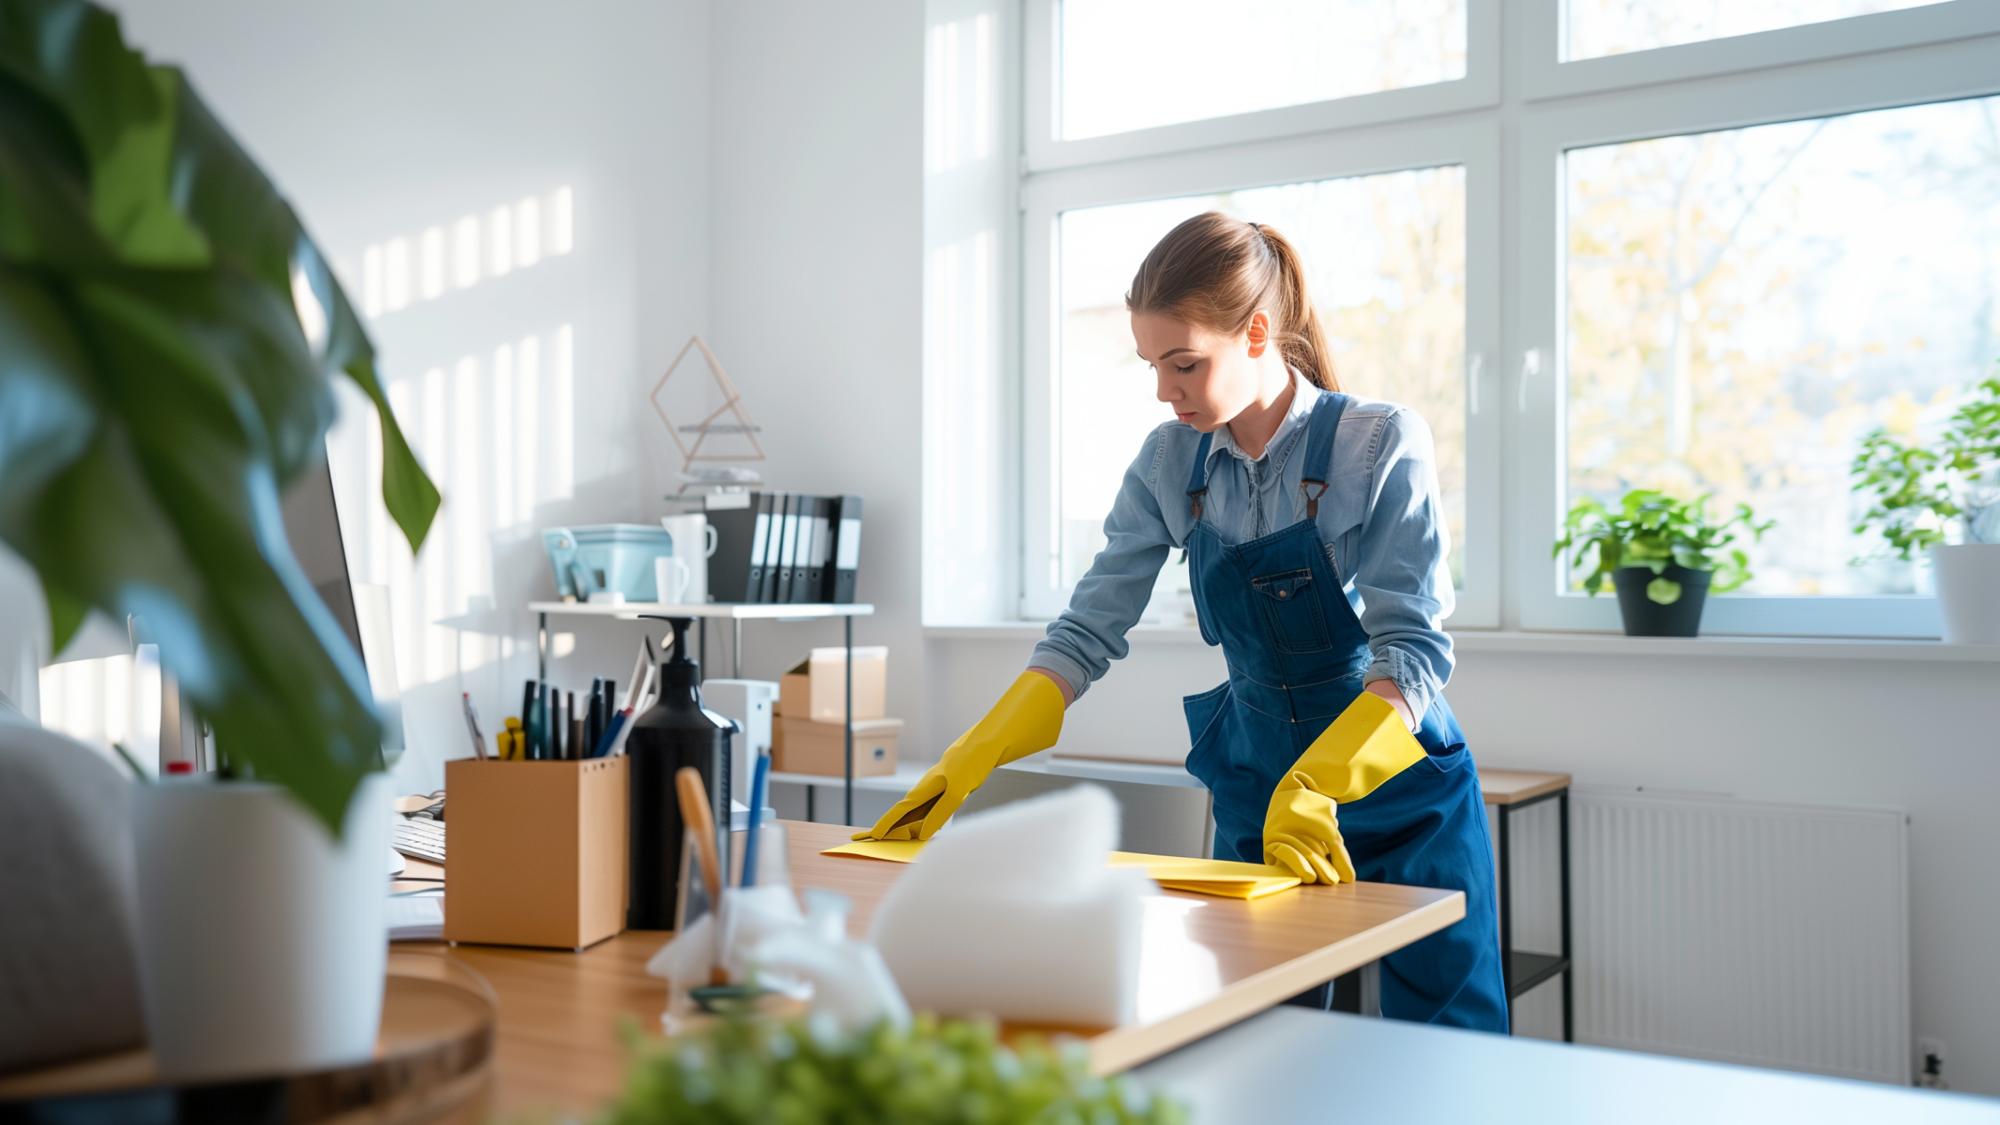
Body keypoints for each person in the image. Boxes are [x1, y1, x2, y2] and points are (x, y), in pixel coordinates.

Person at [858, 211, 1507, 1032]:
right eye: (1153, 366)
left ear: (1258, 333)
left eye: (1184, 363)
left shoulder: (1376, 443)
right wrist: (974, 750)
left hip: (1400, 792)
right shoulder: (1171, 464)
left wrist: (1319, 782)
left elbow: (1412, 650)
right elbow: (1087, 630)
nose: (1165, 391)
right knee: (1261, 1038)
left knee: (1449, 1045)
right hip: (1256, 793)